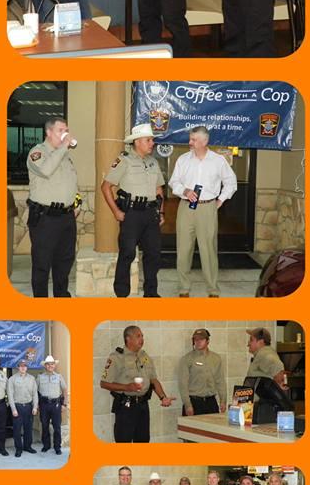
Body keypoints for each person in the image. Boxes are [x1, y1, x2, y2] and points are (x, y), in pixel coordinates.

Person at [168, 126, 238, 296]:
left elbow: (231, 182)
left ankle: (212, 289)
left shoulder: (218, 161)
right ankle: (184, 288)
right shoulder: (183, 159)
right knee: (183, 249)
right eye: (190, 139)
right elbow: (173, 181)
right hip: (186, 208)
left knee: (208, 250)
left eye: (193, 140)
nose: (189, 142)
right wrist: (184, 191)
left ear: (205, 141)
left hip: (208, 208)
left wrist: (220, 200)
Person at [101, 123, 165, 297]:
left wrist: (161, 212)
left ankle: (151, 293)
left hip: (151, 214)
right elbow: (106, 187)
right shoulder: (124, 160)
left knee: (153, 255)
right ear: (137, 142)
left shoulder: (153, 162)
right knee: (127, 254)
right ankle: (122, 293)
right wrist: (115, 211)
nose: (152, 143)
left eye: (152, 140)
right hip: (131, 215)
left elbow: (159, 190)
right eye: (149, 140)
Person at [25, 117, 79, 298]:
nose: (65, 133)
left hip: (66, 217)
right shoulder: (37, 153)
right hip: (45, 218)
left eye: (66, 129)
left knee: (64, 261)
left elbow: (72, 184)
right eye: (60, 130)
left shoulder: (65, 156)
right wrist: (64, 146)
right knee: (42, 263)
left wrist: (76, 203)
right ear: (48, 132)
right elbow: (46, 170)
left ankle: (61, 296)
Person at [100, 325, 176, 442]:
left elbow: (153, 380)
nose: (142, 339)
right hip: (125, 407)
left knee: (143, 440)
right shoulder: (116, 357)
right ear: (128, 339)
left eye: (142, 336)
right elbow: (103, 383)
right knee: (123, 441)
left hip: (142, 406)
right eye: (138, 336)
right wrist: (127, 387)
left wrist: (163, 397)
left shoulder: (144, 356)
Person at [244, 328, 293, 423]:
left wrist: (280, 383)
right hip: (261, 408)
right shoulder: (260, 354)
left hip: (266, 410)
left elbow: (278, 366)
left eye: (251, 340)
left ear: (261, 342)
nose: (248, 343)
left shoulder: (265, 354)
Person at [177, 328, 227, 416]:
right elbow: (183, 384)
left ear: (207, 341)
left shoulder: (216, 358)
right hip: (194, 402)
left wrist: (223, 400)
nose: (198, 342)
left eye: (201, 339)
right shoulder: (187, 359)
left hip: (211, 402)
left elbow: (220, 381)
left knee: (212, 429)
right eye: (196, 339)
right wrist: (188, 405)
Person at [36, 354, 68, 455]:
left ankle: (57, 447)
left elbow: (65, 390)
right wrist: (36, 405)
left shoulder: (59, 377)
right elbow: (34, 391)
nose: (50, 366)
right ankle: (46, 445)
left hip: (56, 405)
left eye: (52, 364)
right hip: (44, 405)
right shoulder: (40, 377)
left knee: (57, 427)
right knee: (44, 426)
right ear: (45, 366)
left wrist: (65, 404)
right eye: (48, 364)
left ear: (54, 365)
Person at [6, 360, 39, 457]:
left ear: (27, 367)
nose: (23, 368)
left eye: (24, 366)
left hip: (29, 407)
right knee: (17, 430)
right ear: (18, 367)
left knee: (28, 429)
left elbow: (35, 394)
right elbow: (10, 395)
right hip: (18, 407)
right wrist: (13, 409)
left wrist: (35, 407)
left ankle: (27, 446)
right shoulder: (12, 379)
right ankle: (18, 449)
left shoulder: (32, 379)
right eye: (21, 366)